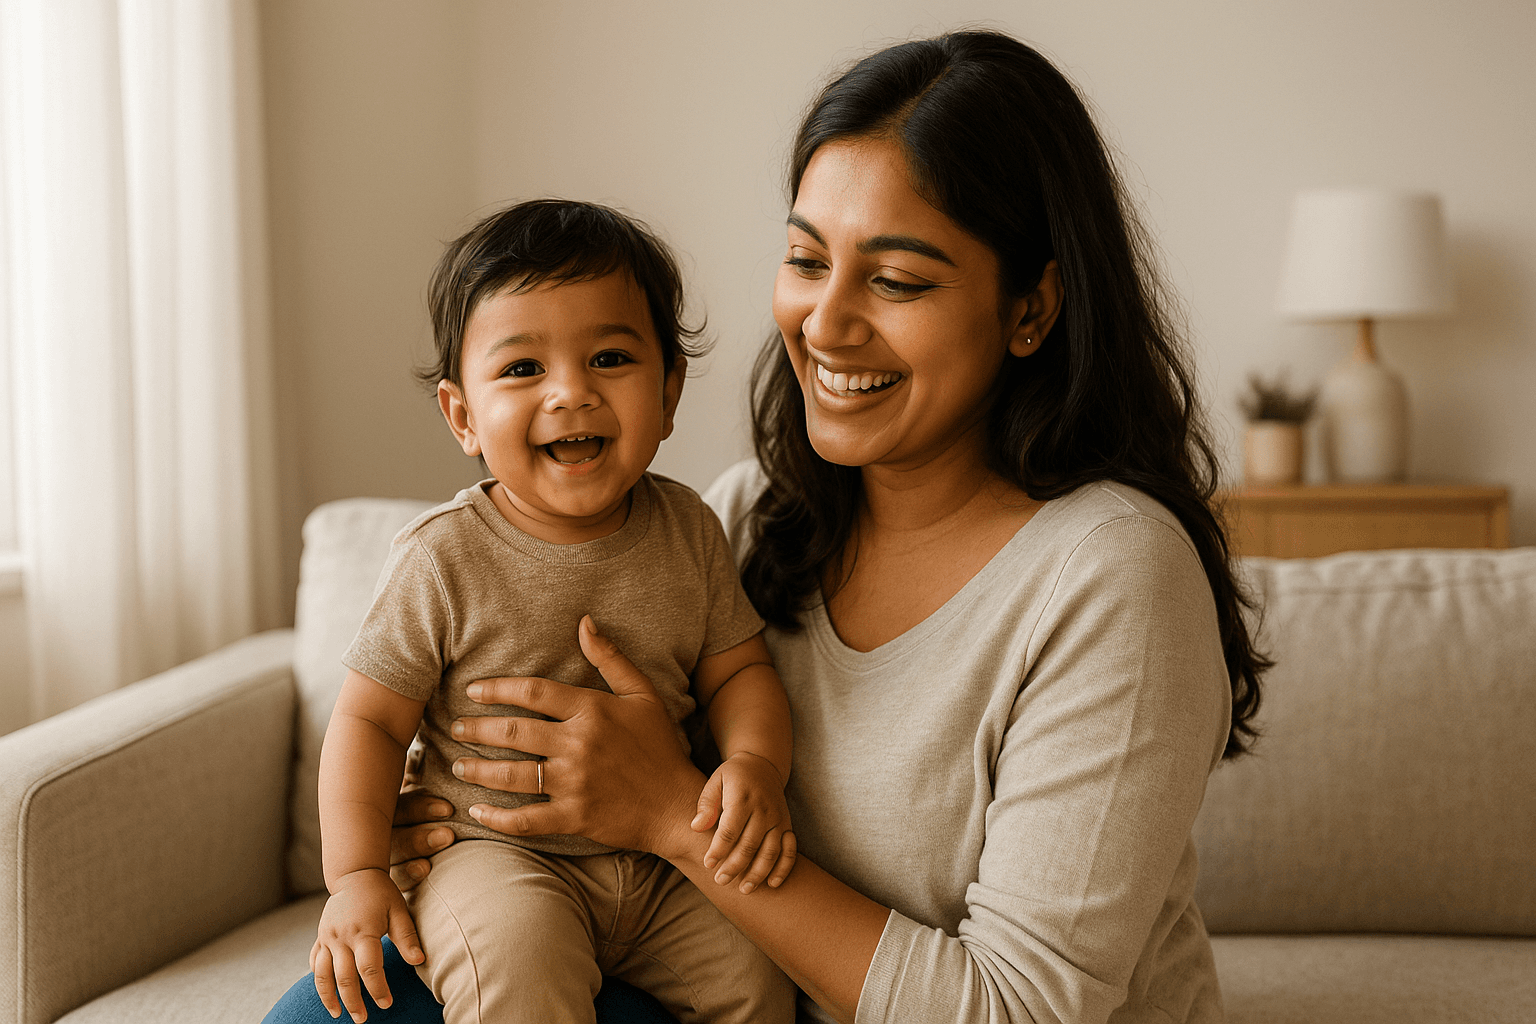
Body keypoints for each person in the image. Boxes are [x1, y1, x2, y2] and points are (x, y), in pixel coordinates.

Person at [268, 28, 1265, 1024]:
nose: (825, 323)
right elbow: (512, 721)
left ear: (1030, 308)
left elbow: (1024, 1010)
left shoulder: (1113, 575)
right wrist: (427, 833)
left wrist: (671, 814)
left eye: (897, 279)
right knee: (330, 1011)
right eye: (805, 260)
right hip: (596, 928)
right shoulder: (748, 516)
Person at [301, 199, 798, 1024]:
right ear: (463, 416)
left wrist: (755, 765)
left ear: (669, 392)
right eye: (524, 368)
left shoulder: (690, 529)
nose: (572, 393)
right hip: (494, 856)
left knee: (758, 968)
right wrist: (354, 875)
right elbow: (370, 722)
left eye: (610, 357)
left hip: (659, 859)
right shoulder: (442, 557)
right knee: (518, 967)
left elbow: (739, 672)